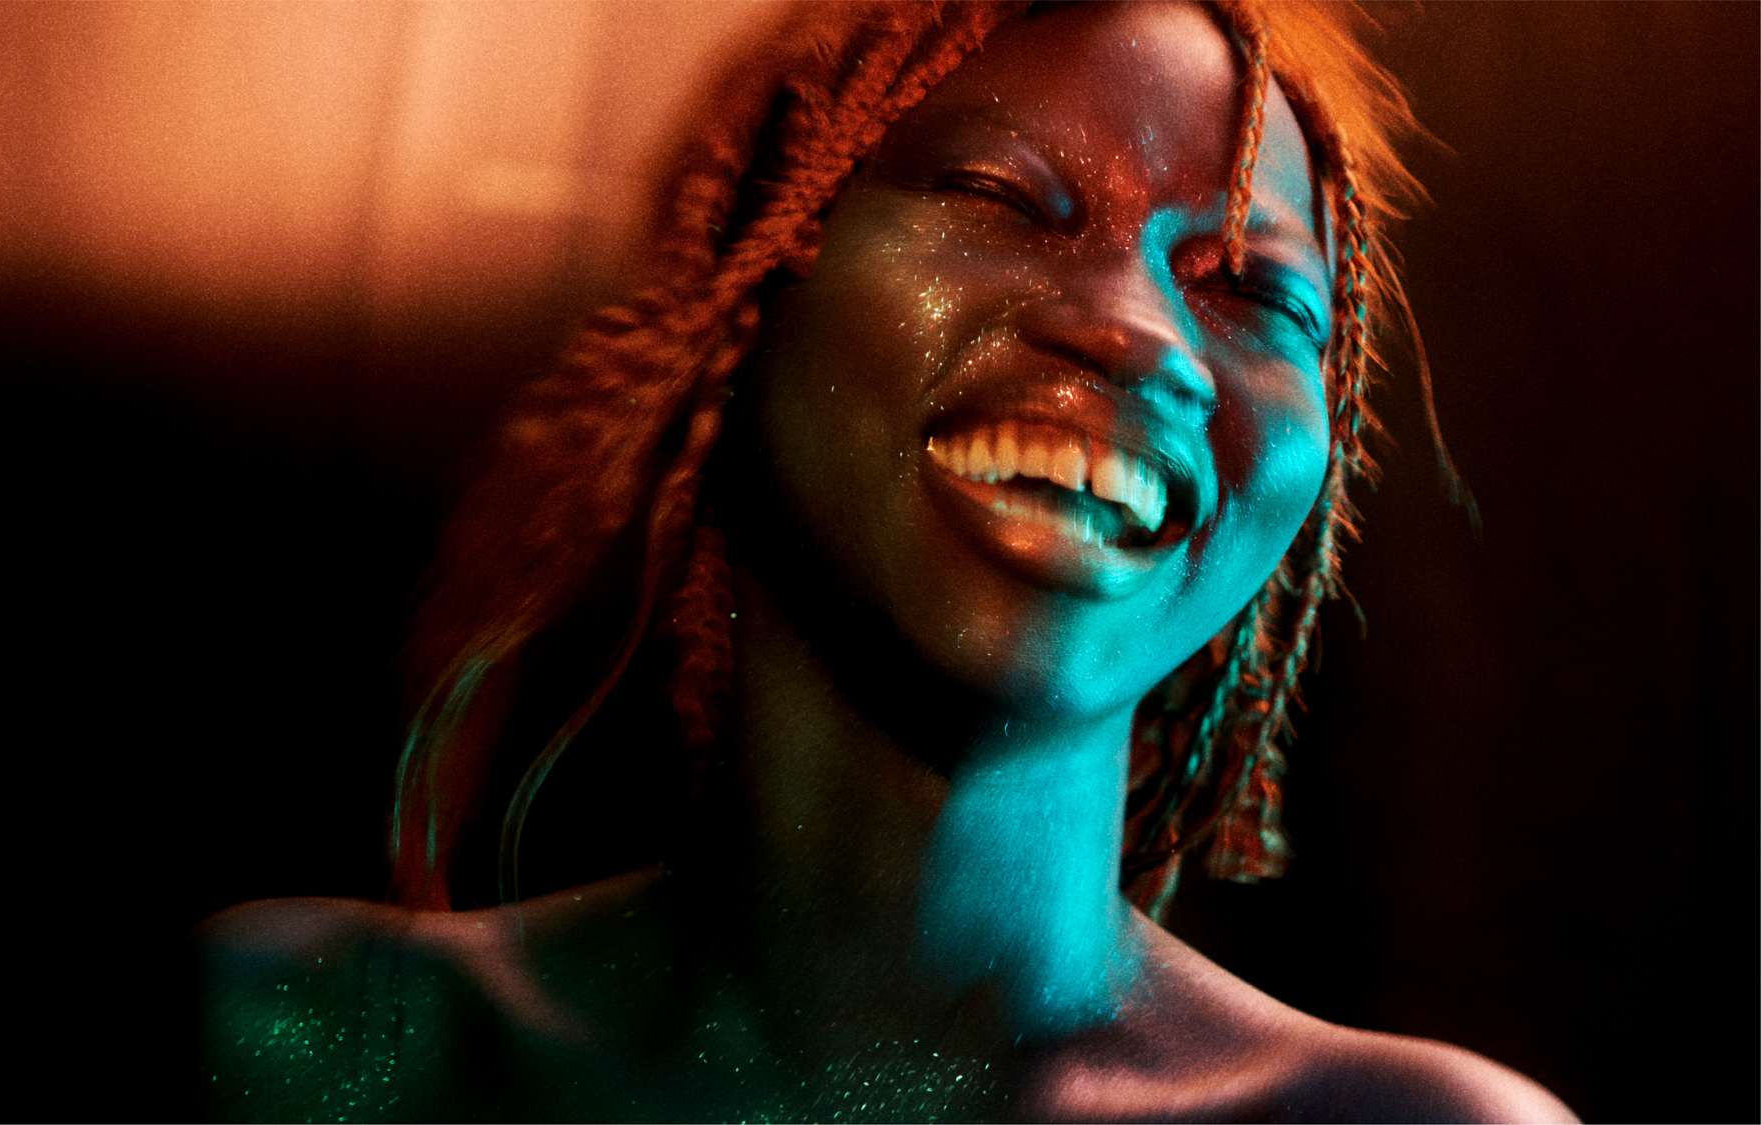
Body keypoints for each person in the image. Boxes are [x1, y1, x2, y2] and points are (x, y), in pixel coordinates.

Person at [200, 3, 1577, 1120]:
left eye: (1254, 288)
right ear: (749, 293)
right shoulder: (303, 1051)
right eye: (1000, 196)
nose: (1140, 331)